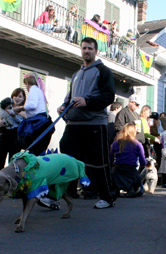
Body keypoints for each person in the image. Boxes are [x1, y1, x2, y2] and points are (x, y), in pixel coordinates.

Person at [57, 37, 116, 209]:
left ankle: (107, 196)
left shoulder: (103, 71)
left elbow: (108, 96)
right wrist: (63, 106)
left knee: (99, 162)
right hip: (73, 124)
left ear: (96, 51)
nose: (86, 51)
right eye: (84, 48)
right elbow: (69, 97)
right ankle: (61, 196)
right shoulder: (76, 75)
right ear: (80, 50)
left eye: (90, 48)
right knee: (66, 160)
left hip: (95, 124)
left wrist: (87, 101)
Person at [15, 72, 53, 156]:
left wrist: (21, 108)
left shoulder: (33, 90)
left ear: (28, 83)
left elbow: (32, 105)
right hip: (43, 123)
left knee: (35, 150)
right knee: (38, 151)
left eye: (25, 85)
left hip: (39, 124)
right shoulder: (39, 91)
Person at [0, 88, 26, 171]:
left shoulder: (24, 110)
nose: (17, 98)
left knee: (13, 163)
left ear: (24, 98)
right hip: (3, 135)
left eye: (20, 96)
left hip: (16, 137)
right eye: (15, 96)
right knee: (0, 162)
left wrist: (15, 114)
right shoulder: (4, 108)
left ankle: (11, 182)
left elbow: (23, 123)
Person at [110, 123, 146, 197]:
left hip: (118, 169)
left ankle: (116, 188)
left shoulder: (115, 143)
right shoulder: (138, 144)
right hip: (131, 169)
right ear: (133, 132)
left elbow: (110, 158)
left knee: (115, 175)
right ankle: (132, 188)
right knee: (141, 191)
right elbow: (143, 162)